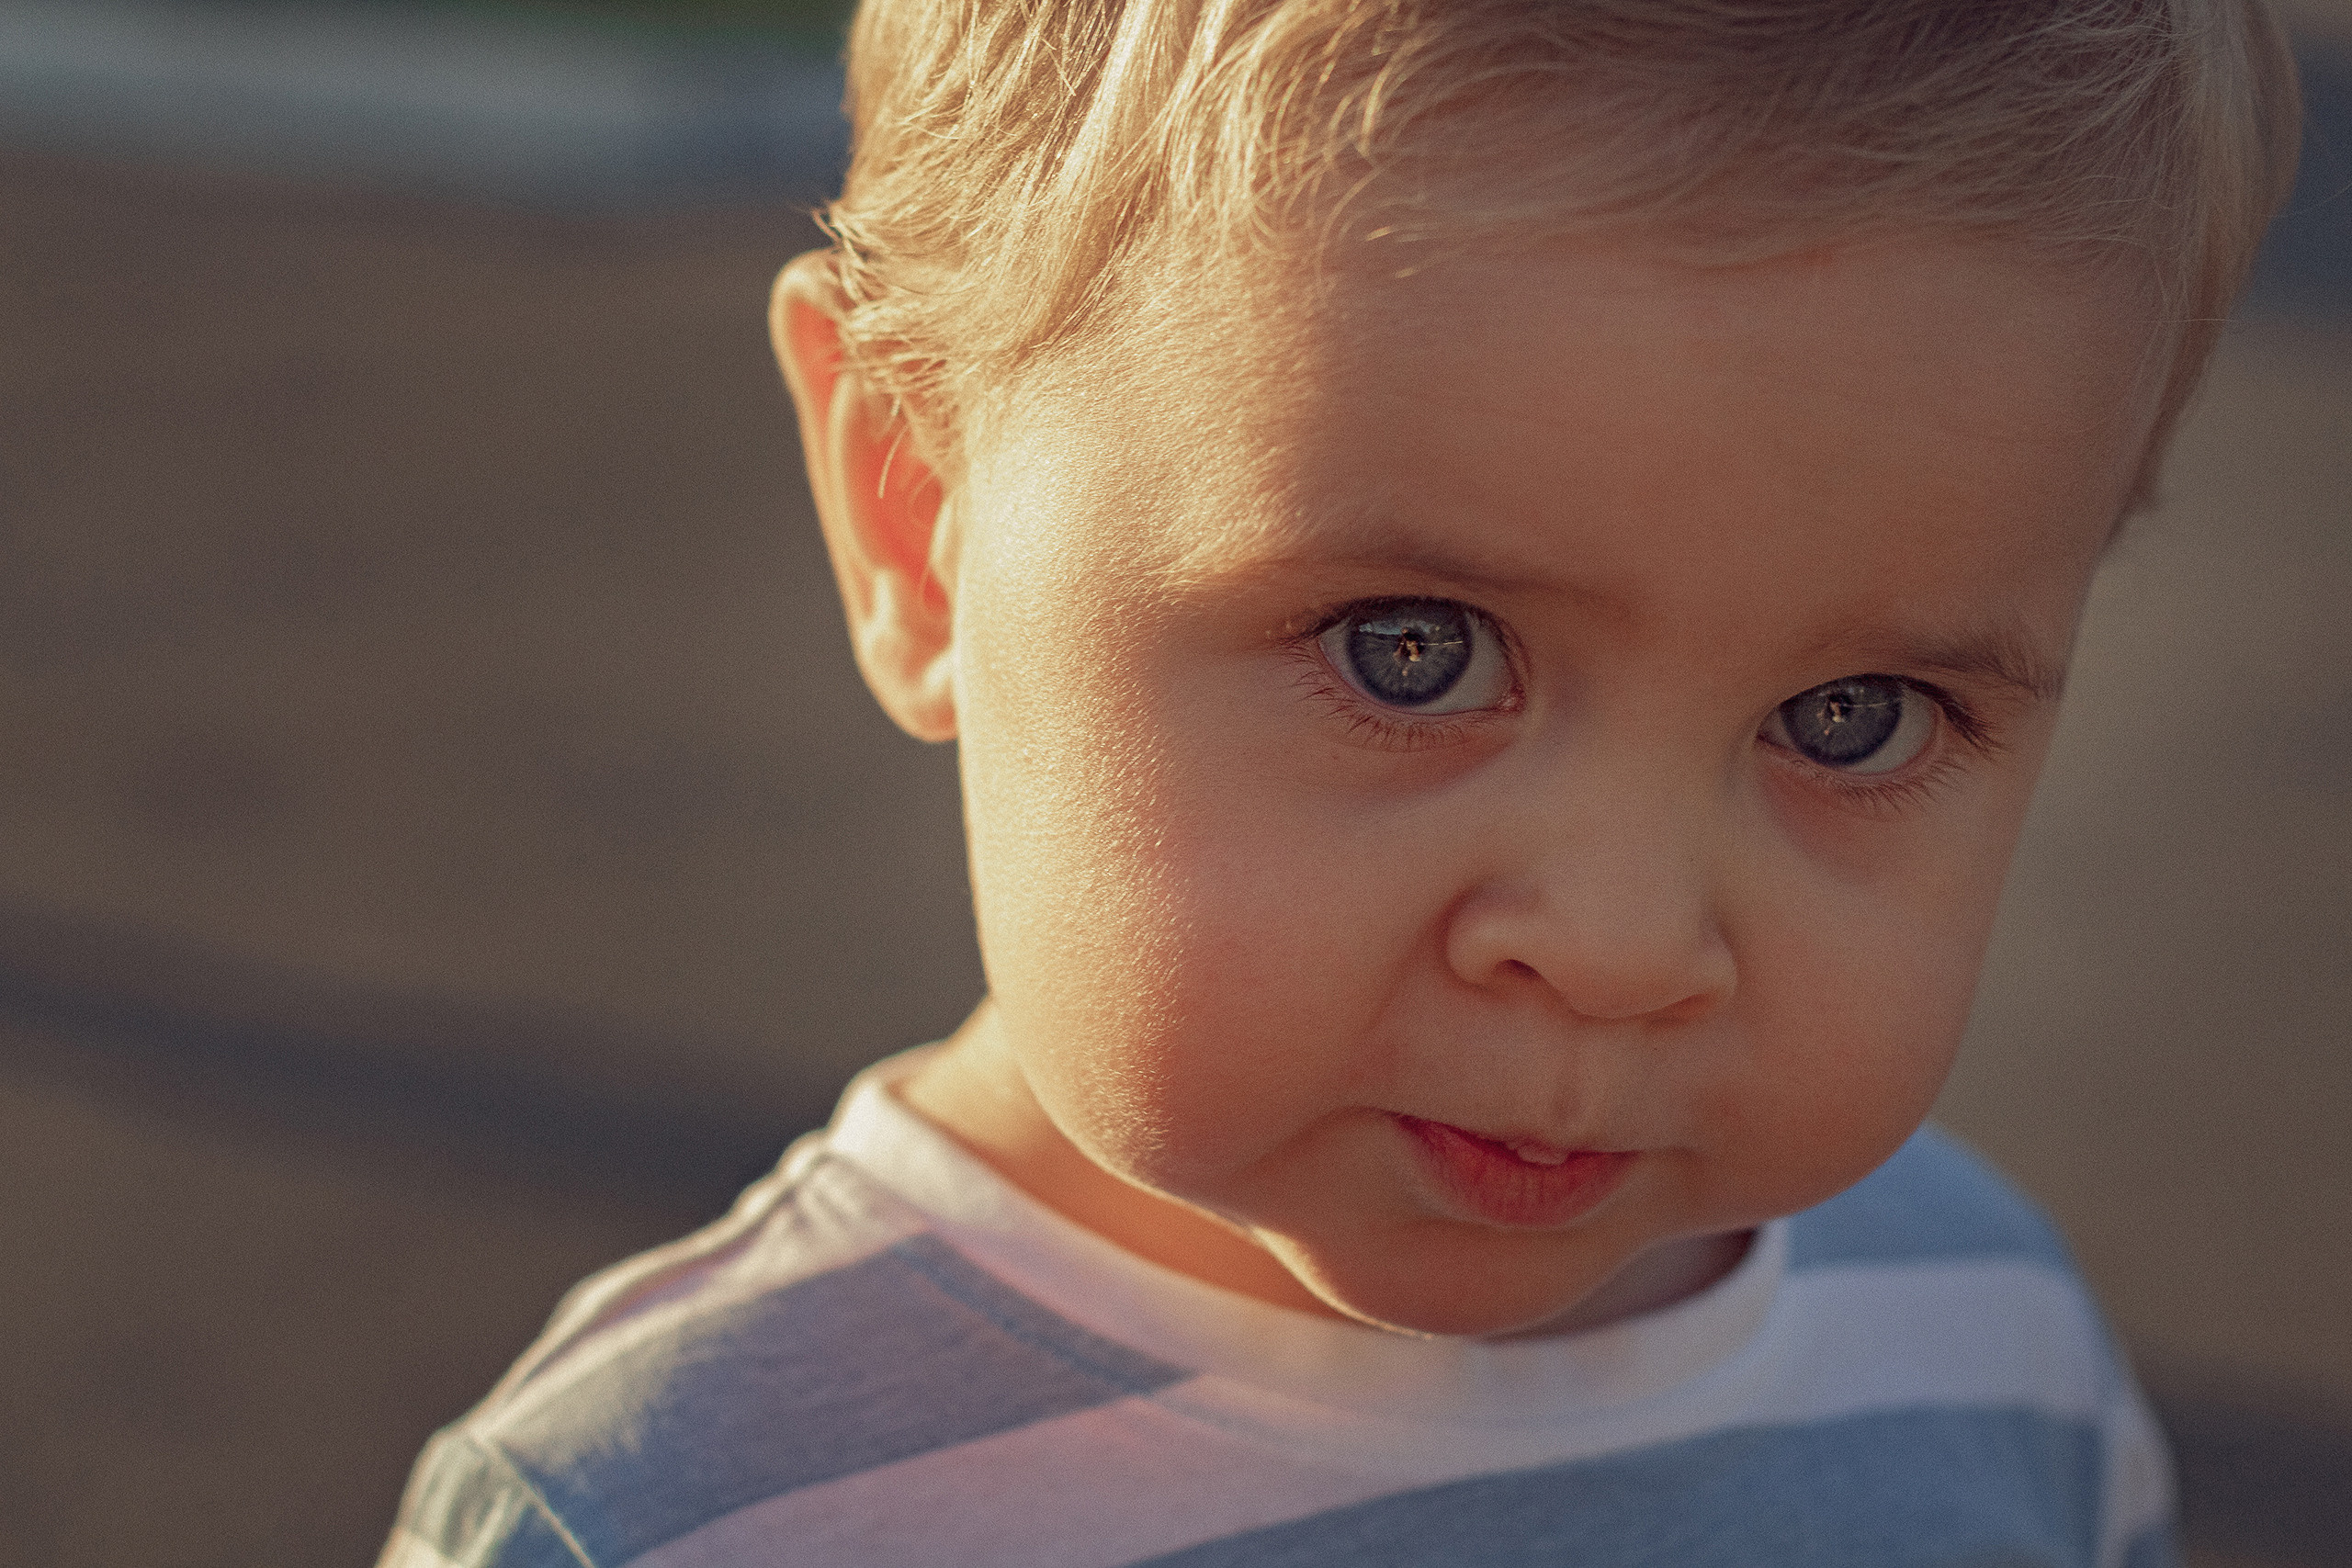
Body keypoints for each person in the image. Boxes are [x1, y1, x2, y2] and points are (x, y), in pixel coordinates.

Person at [379, 3, 2302, 1564]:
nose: (1622, 946)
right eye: (1415, 649)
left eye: (1852, 716)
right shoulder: (669, 1507)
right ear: (921, 519)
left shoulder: (1984, 1347)